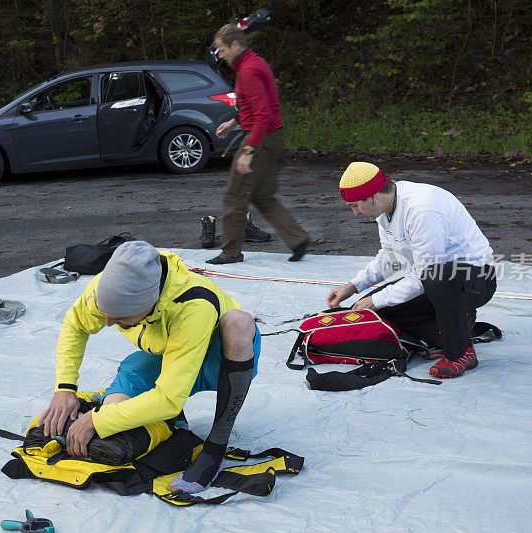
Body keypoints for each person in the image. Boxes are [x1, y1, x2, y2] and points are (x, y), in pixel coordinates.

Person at [38, 240, 261, 493]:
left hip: (218, 361)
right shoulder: (111, 284)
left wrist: (94, 421)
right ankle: (170, 424)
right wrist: (65, 388)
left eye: (120, 317)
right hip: (168, 356)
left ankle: (215, 448)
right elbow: (75, 325)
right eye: (105, 312)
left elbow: (168, 398)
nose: (108, 322)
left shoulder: (194, 305)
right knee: (112, 415)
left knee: (239, 323)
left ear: (148, 304)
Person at [326, 162, 497, 378]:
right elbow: (390, 259)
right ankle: (455, 324)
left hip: (476, 280)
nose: (355, 213)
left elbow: (426, 273)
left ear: (373, 196)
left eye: (355, 205)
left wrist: (378, 298)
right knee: (375, 310)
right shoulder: (384, 209)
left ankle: (460, 353)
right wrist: (354, 286)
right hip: (436, 279)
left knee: (428, 280)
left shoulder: (423, 209)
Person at [206, 23, 309, 265]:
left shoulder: (248, 71)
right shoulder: (255, 63)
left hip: (259, 139)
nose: (220, 56)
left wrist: (248, 152)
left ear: (235, 44)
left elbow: (262, 114)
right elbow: (256, 106)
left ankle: (230, 252)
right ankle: (298, 239)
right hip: (273, 137)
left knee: (234, 196)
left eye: (221, 50)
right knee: (263, 196)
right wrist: (234, 122)